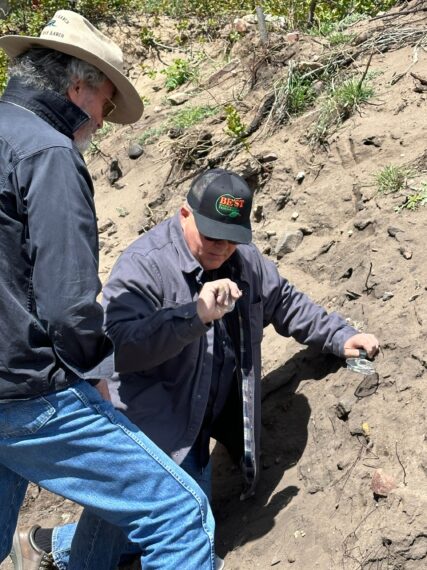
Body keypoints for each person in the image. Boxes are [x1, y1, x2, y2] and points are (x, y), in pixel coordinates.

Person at [30, 168, 379, 569]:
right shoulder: (145, 266)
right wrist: (193, 316)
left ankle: (49, 544)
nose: (221, 248)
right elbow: (118, 346)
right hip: (151, 427)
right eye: (212, 236)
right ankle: (75, 559)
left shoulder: (243, 261)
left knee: (179, 522)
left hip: (202, 422)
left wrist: (338, 335)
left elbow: (284, 301)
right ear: (184, 214)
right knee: (175, 523)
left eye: (232, 239)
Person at [0, 10, 216, 570]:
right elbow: (68, 301)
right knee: (179, 513)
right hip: (26, 391)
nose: (101, 122)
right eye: (105, 105)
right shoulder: (48, 153)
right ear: (78, 87)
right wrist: (95, 373)